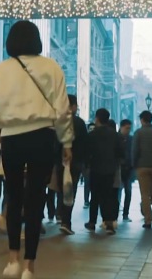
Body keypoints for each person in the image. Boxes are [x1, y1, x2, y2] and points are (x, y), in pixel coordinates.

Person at [0, 20, 73, 279]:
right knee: (35, 200)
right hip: (42, 137)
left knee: (13, 198)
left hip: (12, 137)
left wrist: (8, 114)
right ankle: (29, 266)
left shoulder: (1, 69)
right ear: (37, 40)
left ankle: (11, 259)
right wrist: (66, 142)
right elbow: (63, 108)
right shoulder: (51, 67)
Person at [84, 108, 124, 235]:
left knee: (94, 196)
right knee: (107, 196)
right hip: (110, 169)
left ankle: (92, 222)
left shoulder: (92, 135)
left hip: (95, 168)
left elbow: (87, 152)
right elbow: (120, 153)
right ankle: (108, 224)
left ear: (97, 119)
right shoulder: (115, 135)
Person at [57, 94, 88, 235]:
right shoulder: (80, 123)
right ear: (73, 106)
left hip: (59, 161)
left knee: (60, 189)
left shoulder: (57, 122)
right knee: (70, 190)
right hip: (75, 162)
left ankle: (60, 215)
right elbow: (84, 144)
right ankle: (66, 221)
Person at [118, 119, 134, 222]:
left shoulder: (131, 139)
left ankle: (125, 214)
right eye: (127, 128)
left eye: (130, 128)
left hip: (128, 169)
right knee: (117, 192)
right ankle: (115, 213)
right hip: (118, 169)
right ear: (121, 127)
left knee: (128, 192)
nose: (128, 130)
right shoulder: (116, 138)